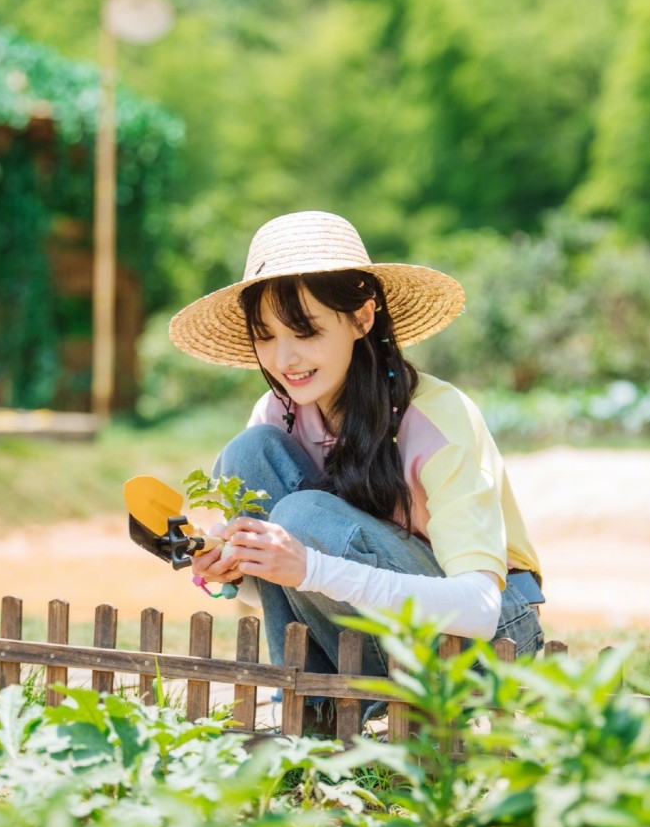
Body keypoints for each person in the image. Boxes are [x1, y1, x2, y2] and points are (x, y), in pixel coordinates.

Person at [169, 211, 544, 712]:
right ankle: (315, 711)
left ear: (362, 317)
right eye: (266, 336)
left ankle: (375, 711)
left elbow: (477, 609)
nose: (285, 360)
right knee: (247, 454)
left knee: (303, 516)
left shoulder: (438, 420)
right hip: (370, 644)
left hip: (483, 643)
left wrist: (310, 565)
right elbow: (291, 594)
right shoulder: (276, 416)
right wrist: (233, 577)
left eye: (305, 331)